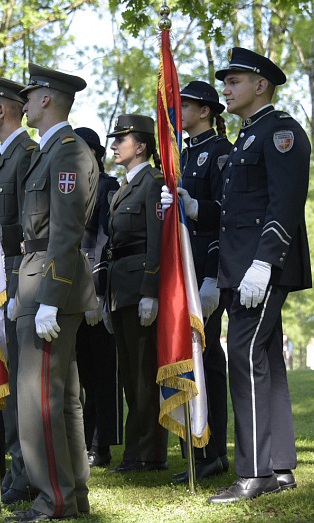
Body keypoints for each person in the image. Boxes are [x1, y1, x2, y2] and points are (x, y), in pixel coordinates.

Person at [166, 48, 311, 503]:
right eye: (225, 82)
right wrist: (196, 209)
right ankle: (280, 466)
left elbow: (284, 205)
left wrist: (265, 263)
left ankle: (254, 472)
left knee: (245, 358)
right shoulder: (249, 136)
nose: (225, 89)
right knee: (266, 359)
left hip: (262, 266)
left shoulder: (281, 132)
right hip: (241, 267)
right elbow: (234, 212)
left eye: (234, 82)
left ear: (260, 85)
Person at [0, 64, 97, 521]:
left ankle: (55, 499)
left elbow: (66, 233)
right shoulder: (50, 152)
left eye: (30, 96)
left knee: (38, 398)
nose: (23, 103)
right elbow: (37, 232)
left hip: (48, 282)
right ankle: (72, 493)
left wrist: (51, 295)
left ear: (47, 100)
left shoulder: (67, 151)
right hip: (35, 275)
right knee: (60, 397)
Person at [171, 79, 232, 482]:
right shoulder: (182, 155)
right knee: (183, 361)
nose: (179, 111)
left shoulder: (220, 153)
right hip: (182, 272)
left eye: (186, 105)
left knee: (207, 362)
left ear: (205, 110)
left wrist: (211, 277)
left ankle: (213, 453)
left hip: (204, 274)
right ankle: (193, 450)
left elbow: (224, 220)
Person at [102, 114, 168, 475]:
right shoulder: (125, 186)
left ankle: (150, 453)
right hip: (120, 288)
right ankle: (136, 450)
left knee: (144, 373)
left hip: (139, 285)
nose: (114, 145)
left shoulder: (152, 182)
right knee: (129, 373)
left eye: (121, 140)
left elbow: (156, 241)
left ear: (140, 146)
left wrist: (150, 291)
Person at [0, 77, 38, 503]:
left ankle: (22, 469)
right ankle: (10, 463)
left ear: (2, 111)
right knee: (6, 372)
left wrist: (1, 231)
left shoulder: (26, 154)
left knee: (20, 378)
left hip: (19, 270)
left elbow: (35, 222)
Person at [74, 126, 123, 472]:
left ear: (94, 154)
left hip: (93, 290)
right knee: (82, 373)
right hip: (71, 291)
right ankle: (85, 439)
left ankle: (101, 443)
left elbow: (105, 242)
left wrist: (98, 293)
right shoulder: (74, 189)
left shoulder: (107, 187)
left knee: (103, 374)